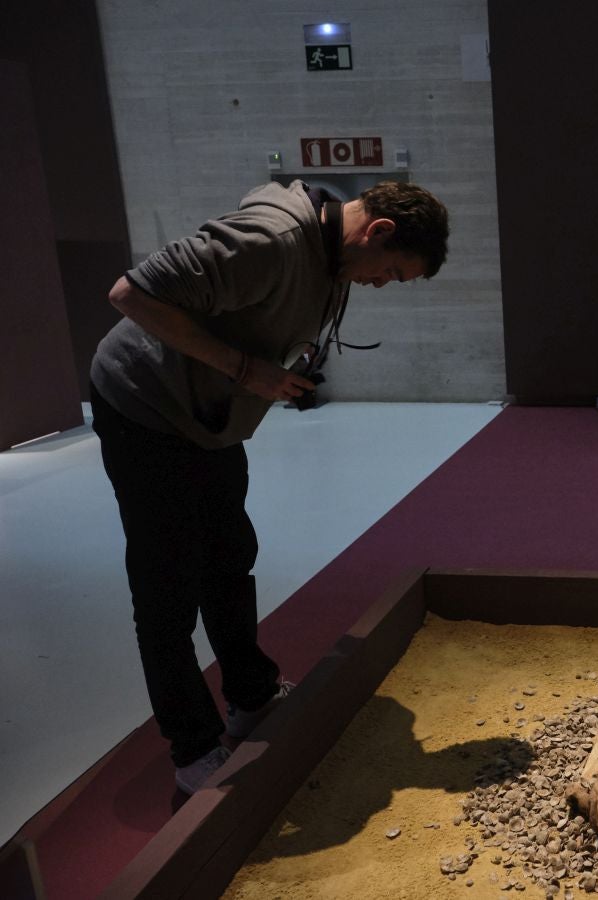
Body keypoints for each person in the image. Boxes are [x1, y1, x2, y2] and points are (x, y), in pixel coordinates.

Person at [89, 180, 449, 793]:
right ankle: (193, 748)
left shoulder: (335, 251)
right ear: (378, 230)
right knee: (167, 585)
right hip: (146, 410)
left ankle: (250, 695)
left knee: (230, 558)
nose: (379, 284)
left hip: (210, 423)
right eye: (388, 273)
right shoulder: (272, 240)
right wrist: (244, 368)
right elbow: (131, 293)